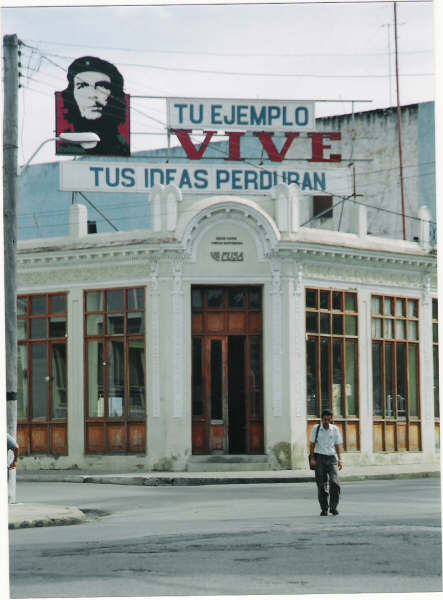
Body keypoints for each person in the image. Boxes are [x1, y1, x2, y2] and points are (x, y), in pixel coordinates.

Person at [57, 56, 130, 156]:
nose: (92, 95)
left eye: (102, 86)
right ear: (71, 95)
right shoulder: (66, 146)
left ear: (115, 95)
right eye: (82, 86)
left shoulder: (123, 147)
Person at [309, 409, 343, 516]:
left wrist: (340, 459)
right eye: (325, 419)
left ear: (331, 419)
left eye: (328, 419)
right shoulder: (316, 428)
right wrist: (312, 458)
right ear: (321, 419)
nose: (326, 421)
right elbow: (312, 444)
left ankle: (333, 507)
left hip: (332, 458)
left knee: (335, 483)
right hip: (320, 458)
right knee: (321, 485)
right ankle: (324, 508)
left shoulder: (335, 429)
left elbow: (338, 444)